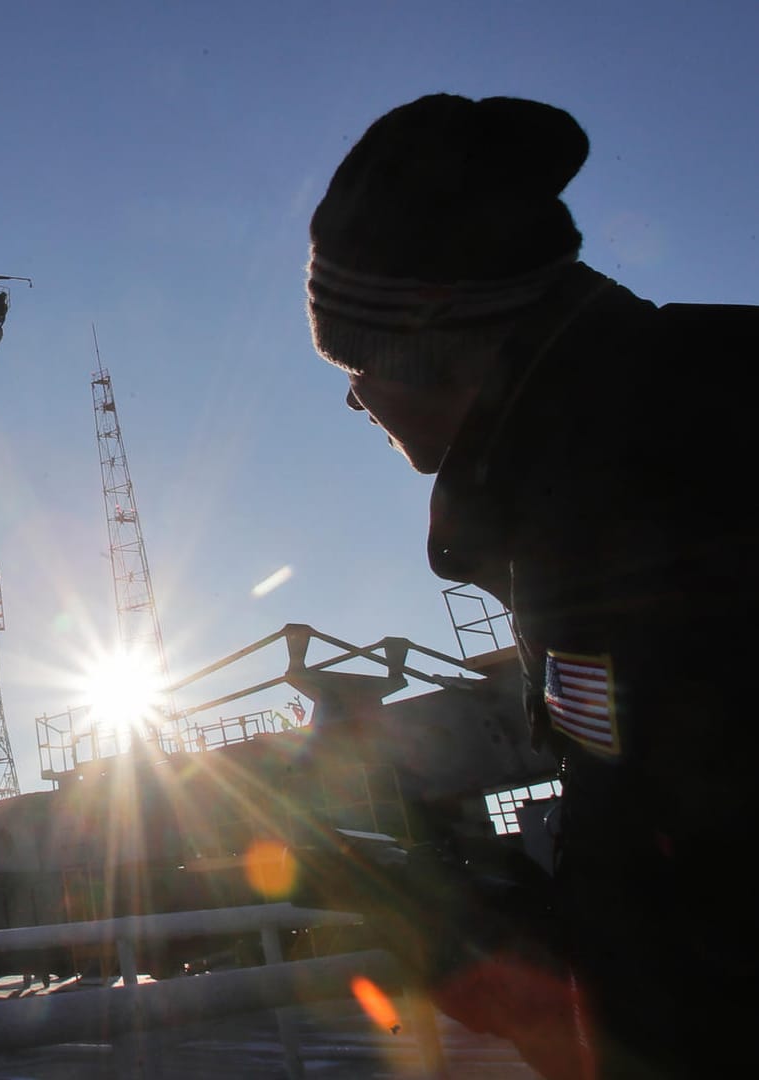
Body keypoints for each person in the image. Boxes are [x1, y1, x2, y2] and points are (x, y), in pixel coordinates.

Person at [304, 93, 758, 1077]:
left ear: (423, 334)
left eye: (354, 367)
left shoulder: (637, 500)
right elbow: (663, 862)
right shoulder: (624, 454)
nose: (358, 401)